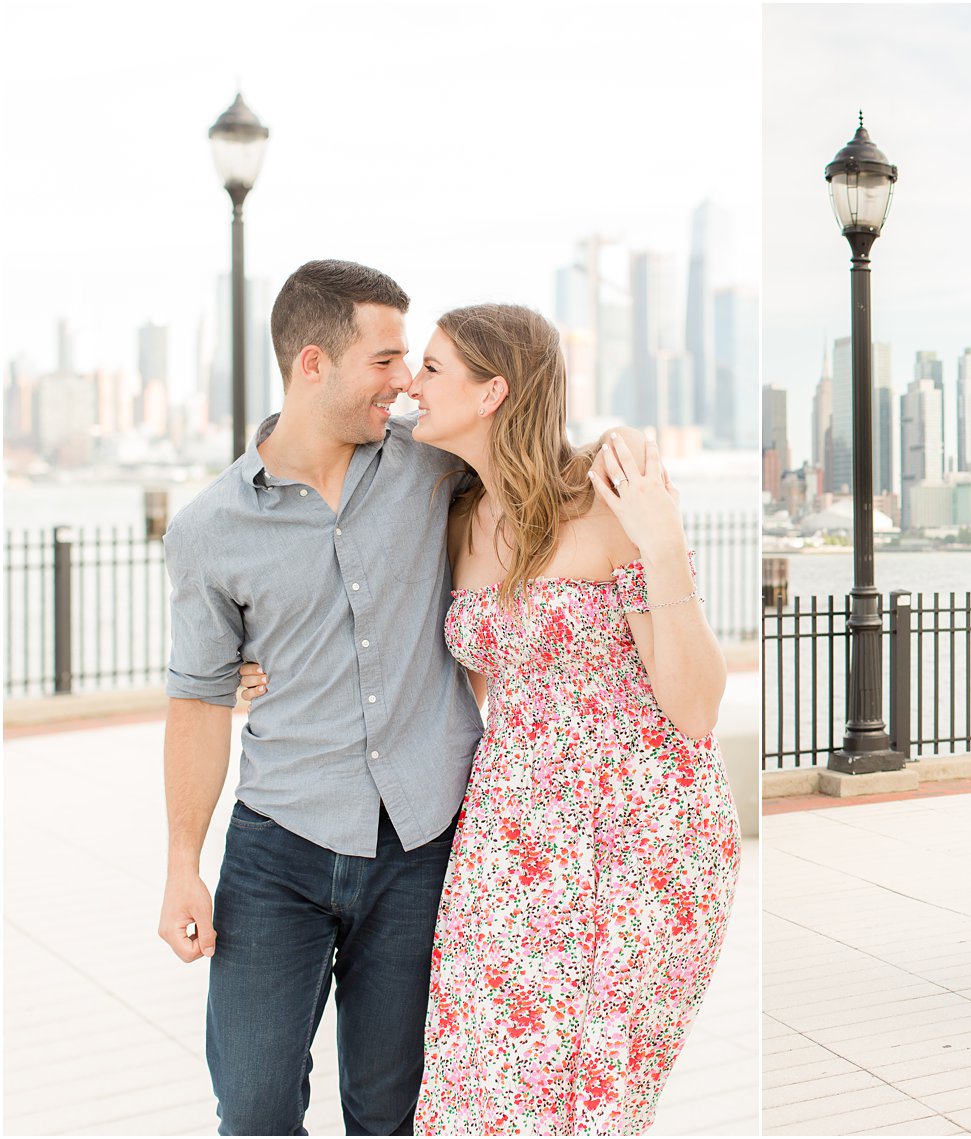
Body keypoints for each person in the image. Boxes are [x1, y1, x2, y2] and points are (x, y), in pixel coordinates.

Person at [251, 304, 742, 1133]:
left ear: (493, 392)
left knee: (590, 1095)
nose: (411, 382)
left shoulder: (612, 497)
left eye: (434, 369)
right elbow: (332, 527)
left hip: (643, 837)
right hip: (509, 846)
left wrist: (661, 543)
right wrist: (260, 660)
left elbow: (695, 706)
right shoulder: (453, 514)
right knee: (478, 1087)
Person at [157, 260, 484, 1134]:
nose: (406, 379)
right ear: (313, 363)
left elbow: (528, 472)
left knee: (392, 1112)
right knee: (256, 1107)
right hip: (280, 848)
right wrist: (183, 863)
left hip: (421, 843)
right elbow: (195, 699)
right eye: (384, 360)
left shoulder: (429, 463)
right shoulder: (206, 531)